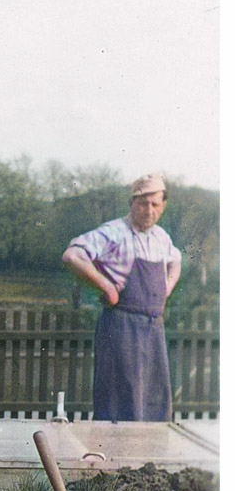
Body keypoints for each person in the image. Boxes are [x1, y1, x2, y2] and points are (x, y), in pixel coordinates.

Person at [62, 173, 181, 421]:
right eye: (142, 203)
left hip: (153, 329)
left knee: (154, 402)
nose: (149, 210)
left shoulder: (161, 237)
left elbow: (176, 261)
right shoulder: (114, 232)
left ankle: (149, 459)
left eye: (155, 204)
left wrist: (166, 290)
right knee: (119, 402)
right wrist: (106, 285)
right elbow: (72, 256)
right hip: (121, 329)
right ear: (132, 203)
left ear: (163, 206)